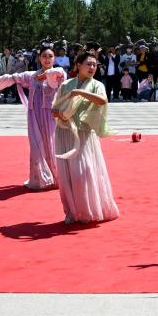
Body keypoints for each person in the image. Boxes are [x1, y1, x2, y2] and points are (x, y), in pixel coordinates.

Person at [0, 45, 67, 189]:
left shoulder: (59, 74)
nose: (47, 59)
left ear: (55, 58)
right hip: (34, 116)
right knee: (36, 146)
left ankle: (56, 177)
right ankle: (40, 179)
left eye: (50, 56)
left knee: (52, 145)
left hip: (52, 116)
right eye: (44, 56)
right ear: (39, 58)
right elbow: (12, 77)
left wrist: (46, 75)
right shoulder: (31, 76)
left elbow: (57, 74)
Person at [50, 52, 119, 224]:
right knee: (66, 176)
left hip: (84, 134)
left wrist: (80, 92)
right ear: (78, 65)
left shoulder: (96, 85)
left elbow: (102, 101)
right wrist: (59, 114)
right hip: (64, 132)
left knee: (83, 173)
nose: (92, 67)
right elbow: (55, 107)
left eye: (95, 65)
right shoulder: (66, 85)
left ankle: (87, 210)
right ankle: (72, 212)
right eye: (88, 64)